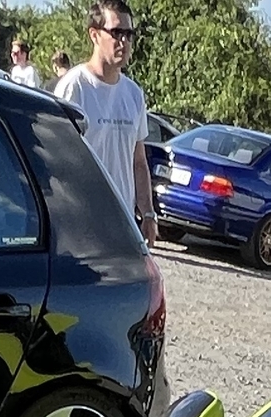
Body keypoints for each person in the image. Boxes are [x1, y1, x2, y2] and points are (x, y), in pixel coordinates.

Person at [55, 2, 156, 243]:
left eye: (129, 34)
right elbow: (56, 160)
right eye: (117, 33)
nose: (124, 42)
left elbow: (138, 162)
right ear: (95, 35)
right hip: (80, 225)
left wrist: (148, 213)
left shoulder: (133, 94)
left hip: (122, 226)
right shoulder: (74, 87)